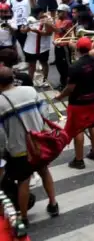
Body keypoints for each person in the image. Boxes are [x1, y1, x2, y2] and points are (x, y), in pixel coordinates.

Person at [0, 65, 59, 223]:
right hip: (39, 144)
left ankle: (24, 217)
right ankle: (53, 204)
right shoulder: (30, 91)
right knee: (44, 172)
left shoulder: (0, 103)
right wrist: (40, 127)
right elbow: (44, 111)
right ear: (13, 78)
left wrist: (2, 152)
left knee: (23, 181)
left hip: (18, 149)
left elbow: (1, 135)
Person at [56, 36, 94, 169]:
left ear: (77, 49)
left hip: (79, 101)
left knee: (78, 129)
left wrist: (60, 96)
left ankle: (79, 160)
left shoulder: (75, 66)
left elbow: (70, 88)